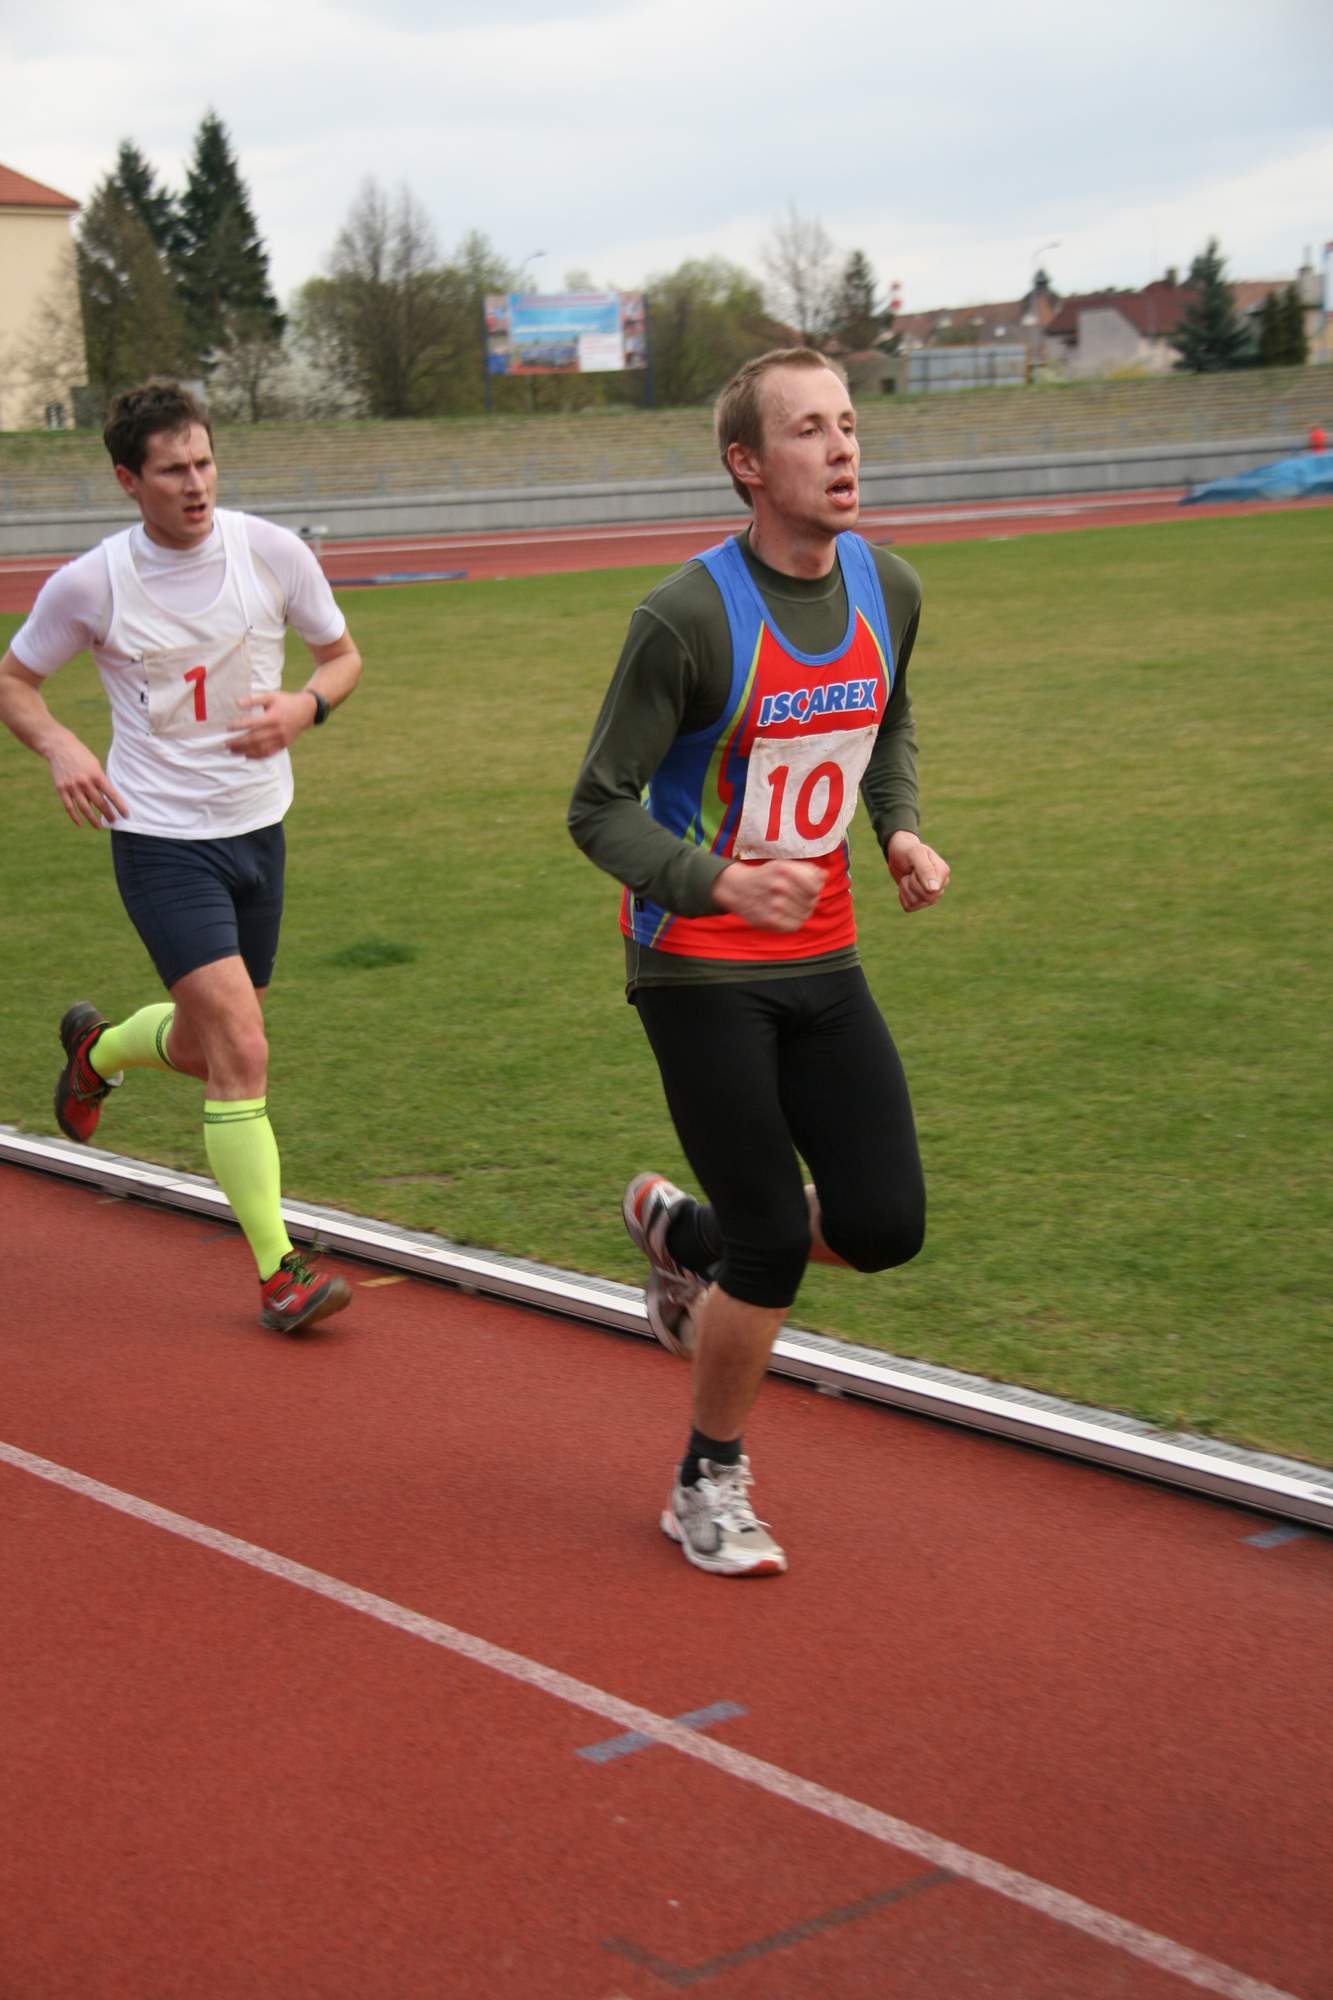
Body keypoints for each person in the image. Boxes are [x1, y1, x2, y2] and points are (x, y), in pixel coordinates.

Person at [568, 347, 949, 1577]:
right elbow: (597, 806)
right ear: (746, 463)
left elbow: (884, 718)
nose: (841, 449)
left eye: (849, 424)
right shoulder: (684, 617)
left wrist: (895, 826)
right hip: (694, 961)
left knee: (884, 1222)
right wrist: (717, 879)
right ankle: (706, 1481)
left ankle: (686, 1234)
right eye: (807, 430)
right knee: (775, 1235)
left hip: (823, 950)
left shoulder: (889, 587)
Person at [0, 379, 362, 1333]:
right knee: (243, 1049)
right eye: (171, 471)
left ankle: (98, 1050)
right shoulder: (92, 584)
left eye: (204, 463)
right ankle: (279, 1273)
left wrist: (304, 707)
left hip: (259, 830)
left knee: (208, 1049)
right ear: (129, 480)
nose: (196, 485)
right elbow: (15, 680)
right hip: (160, 840)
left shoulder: (271, 551)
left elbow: (342, 658)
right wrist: (60, 745)